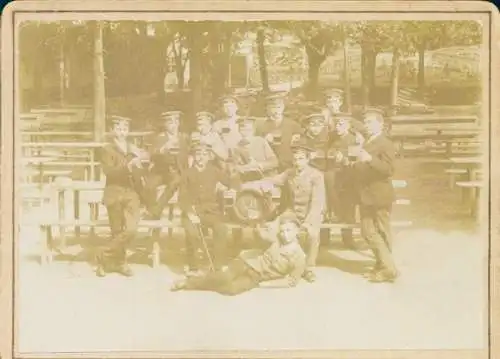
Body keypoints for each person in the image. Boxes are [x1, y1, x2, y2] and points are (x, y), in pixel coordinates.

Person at [243, 141, 326, 283]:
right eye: (295, 159)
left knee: (312, 234)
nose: (297, 162)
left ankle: (309, 268)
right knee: (273, 228)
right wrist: (251, 185)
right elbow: (273, 180)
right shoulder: (290, 173)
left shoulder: (316, 176)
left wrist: (308, 222)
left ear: (307, 159)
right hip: (293, 213)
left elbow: (317, 202)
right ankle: (276, 261)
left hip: (311, 213)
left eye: (301, 159)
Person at [170, 212, 306, 295]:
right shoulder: (275, 239)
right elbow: (262, 234)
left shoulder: (299, 257)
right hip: (247, 262)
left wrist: (266, 285)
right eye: (282, 231)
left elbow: (291, 281)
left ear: (297, 231)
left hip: (258, 277)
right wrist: (257, 225)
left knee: (231, 290)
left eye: (289, 231)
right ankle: (187, 283)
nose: (285, 235)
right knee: (224, 278)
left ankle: (207, 278)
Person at [336, 107, 399, 283]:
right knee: (367, 232)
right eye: (365, 122)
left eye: (371, 122)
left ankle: (386, 268)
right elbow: (358, 166)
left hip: (379, 193)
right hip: (365, 195)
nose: (367, 125)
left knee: (381, 232)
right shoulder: (364, 142)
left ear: (381, 124)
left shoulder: (385, 143)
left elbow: (389, 170)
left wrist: (370, 159)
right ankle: (385, 266)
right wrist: (347, 162)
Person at [95, 115, 150, 277]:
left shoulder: (133, 148)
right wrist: (128, 166)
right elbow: (109, 172)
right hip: (114, 192)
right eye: (118, 128)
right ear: (112, 131)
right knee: (117, 231)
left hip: (131, 192)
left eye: (125, 129)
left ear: (128, 131)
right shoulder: (106, 149)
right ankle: (118, 263)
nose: (122, 132)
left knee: (131, 229)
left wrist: (142, 163)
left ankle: (102, 255)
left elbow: (140, 172)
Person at [178, 143, 239, 274]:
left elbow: (232, 180)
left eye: (204, 154)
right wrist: (190, 213)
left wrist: (233, 189)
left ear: (209, 157)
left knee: (221, 229)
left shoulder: (214, 171)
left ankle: (218, 265)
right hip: (192, 212)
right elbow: (182, 198)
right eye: (198, 154)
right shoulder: (187, 173)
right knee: (192, 234)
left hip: (211, 212)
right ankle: (193, 266)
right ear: (193, 156)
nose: (201, 158)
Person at [143, 110, 190, 219]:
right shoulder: (160, 138)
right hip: (161, 170)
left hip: (177, 171)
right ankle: (151, 209)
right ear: (165, 125)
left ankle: (155, 212)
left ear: (178, 123)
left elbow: (190, 154)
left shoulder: (184, 137)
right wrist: (163, 149)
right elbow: (152, 155)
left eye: (175, 122)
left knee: (175, 181)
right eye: (169, 122)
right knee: (149, 186)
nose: (173, 125)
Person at [330, 113, 364, 250]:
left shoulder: (353, 139)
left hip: (348, 179)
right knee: (332, 207)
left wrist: (343, 159)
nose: (338, 127)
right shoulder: (332, 139)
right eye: (337, 124)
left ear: (348, 126)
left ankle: (348, 239)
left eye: (341, 124)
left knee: (348, 209)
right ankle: (325, 239)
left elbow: (355, 160)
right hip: (333, 178)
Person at [257, 91, 302, 171]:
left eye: (279, 107)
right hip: (270, 166)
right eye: (272, 107)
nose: (276, 111)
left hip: (289, 164)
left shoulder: (293, 125)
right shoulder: (261, 126)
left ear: (283, 107)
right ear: (267, 109)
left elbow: (298, 147)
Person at [230, 116, 279, 182]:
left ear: (253, 129)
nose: (245, 131)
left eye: (248, 129)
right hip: (245, 180)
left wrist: (258, 165)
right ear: (238, 130)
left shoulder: (261, 141)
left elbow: (274, 162)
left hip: (266, 178)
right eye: (242, 128)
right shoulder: (235, 145)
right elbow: (233, 165)